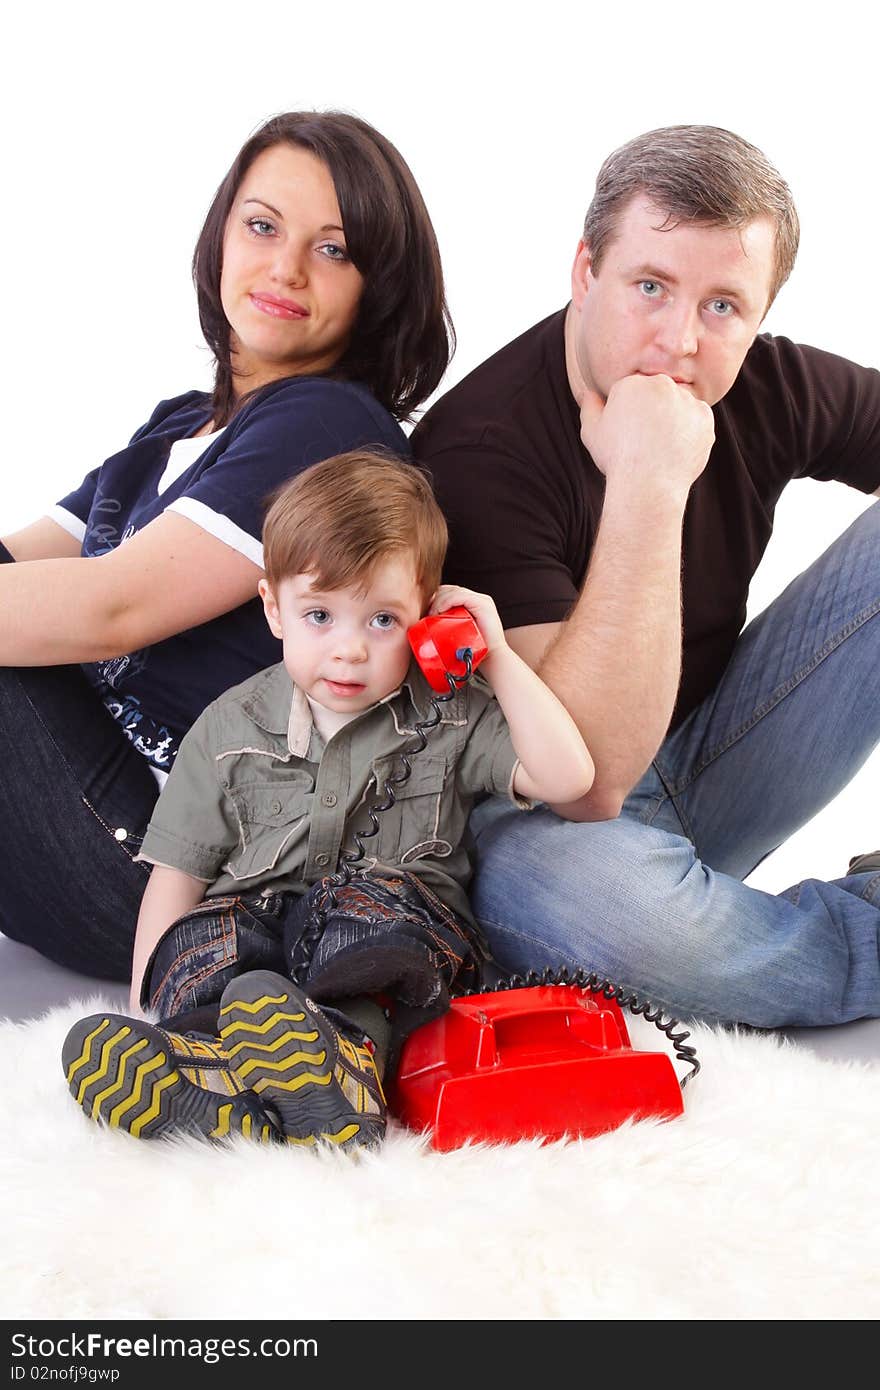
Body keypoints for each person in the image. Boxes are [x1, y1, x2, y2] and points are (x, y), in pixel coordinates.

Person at [412, 124, 880, 1031]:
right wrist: (648, 484)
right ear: (585, 270)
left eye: (723, 307)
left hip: (708, 759)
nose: (678, 342)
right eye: (651, 286)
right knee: (598, 912)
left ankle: (730, 937)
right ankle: (844, 942)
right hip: (545, 829)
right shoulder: (478, 452)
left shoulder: (765, 384)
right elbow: (588, 783)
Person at [0, 110, 453, 984]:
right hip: (84, 814)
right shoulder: (179, 425)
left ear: (377, 286)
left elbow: (108, 609)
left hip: (170, 873)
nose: (284, 267)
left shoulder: (326, 425)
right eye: (262, 226)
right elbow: (21, 561)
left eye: (333, 249)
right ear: (221, 237)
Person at [62, 451, 594, 1149]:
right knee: (211, 941)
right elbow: (178, 875)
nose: (348, 652)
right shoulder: (228, 727)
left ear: (430, 614)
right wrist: (148, 1006)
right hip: (255, 946)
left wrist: (492, 652)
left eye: (381, 621)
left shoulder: (453, 711)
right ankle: (203, 1065)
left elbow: (569, 778)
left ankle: (343, 1069)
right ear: (273, 609)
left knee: (359, 927)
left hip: (383, 938)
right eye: (320, 615)